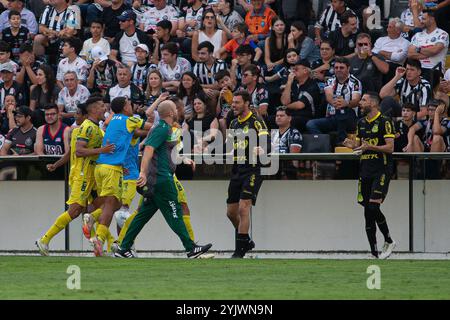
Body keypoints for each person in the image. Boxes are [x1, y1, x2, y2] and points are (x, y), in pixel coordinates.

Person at [114, 99, 213, 258]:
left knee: (141, 216)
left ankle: (123, 248)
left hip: (156, 180)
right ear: (171, 113)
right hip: (161, 179)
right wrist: (143, 173)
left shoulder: (164, 128)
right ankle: (190, 248)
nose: (178, 111)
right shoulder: (162, 128)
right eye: (175, 108)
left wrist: (182, 159)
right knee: (175, 212)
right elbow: (148, 149)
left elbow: (164, 152)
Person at [35, 96, 115, 256]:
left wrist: (56, 164)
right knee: (75, 211)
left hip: (94, 176)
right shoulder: (87, 128)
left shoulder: (95, 128)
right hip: (83, 176)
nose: (104, 109)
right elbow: (78, 151)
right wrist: (102, 150)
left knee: (106, 207)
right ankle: (44, 239)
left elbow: (71, 151)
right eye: (101, 106)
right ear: (92, 109)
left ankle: (106, 245)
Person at [90, 97, 151, 256]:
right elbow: (151, 126)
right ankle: (102, 238)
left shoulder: (111, 121)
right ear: (125, 107)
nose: (132, 106)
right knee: (115, 207)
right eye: (130, 104)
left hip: (101, 167)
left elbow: (107, 123)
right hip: (114, 169)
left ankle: (102, 232)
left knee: (115, 205)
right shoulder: (129, 120)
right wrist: (168, 126)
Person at [343, 92, 396, 259]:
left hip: (381, 169)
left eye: (363, 100)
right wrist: (352, 145)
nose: (360, 103)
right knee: (368, 212)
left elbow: (390, 148)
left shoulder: (385, 121)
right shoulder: (361, 123)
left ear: (373, 103)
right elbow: (360, 147)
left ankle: (389, 240)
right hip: (365, 170)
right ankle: (374, 253)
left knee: (373, 206)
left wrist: (370, 148)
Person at [226, 90, 270, 258]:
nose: (233, 105)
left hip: (253, 169)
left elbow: (267, 142)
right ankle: (246, 240)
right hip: (237, 169)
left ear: (246, 103)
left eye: (237, 103)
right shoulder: (233, 123)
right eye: (233, 103)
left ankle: (240, 250)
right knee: (231, 212)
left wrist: (262, 148)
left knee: (244, 208)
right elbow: (229, 145)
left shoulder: (257, 121)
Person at [306, 57, 361, 144]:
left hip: (349, 118)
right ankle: (324, 147)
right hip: (332, 118)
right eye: (336, 68)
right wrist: (336, 103)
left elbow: (356, 100)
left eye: (341, 68)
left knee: (342, 111)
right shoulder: (330, 80)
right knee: (311, 124)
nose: (338, 70)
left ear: (348, 68)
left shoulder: (354, 82)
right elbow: (329, 96)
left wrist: (346, 103)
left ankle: (341, 141)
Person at [407, 9, 449, 81]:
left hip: (433, 69)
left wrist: (418, 49)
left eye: (423, 19)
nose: (421, 21)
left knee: (422, 84)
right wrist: (429, 53)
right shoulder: (417, 35)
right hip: (417, 69)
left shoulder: (443, 34)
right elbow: (410, 54)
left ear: (432, 20)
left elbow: (434, 50)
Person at [281, 59, 321, 133]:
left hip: (307, 117)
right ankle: (275, 142)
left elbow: (300, 105)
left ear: (305, 70)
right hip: (291, 114)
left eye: (296, 69)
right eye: (293, 69)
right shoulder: (293, 84)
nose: (293, 72)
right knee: (272, 119)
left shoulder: (312, 85)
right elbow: (284, 101)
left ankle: (291, 142)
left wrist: (285, 107)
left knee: (289, 120)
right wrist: (289, 82)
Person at [372, 17, 411, 83]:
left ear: (398, 30)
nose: (387, 30)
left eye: (390, 27)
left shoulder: (405, 43)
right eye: (388, 27)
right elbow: (373, 54)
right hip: (378, 64)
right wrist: (392, 54)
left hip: (394, 69)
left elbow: (398, 58)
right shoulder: (380, 40)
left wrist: (381, 52)